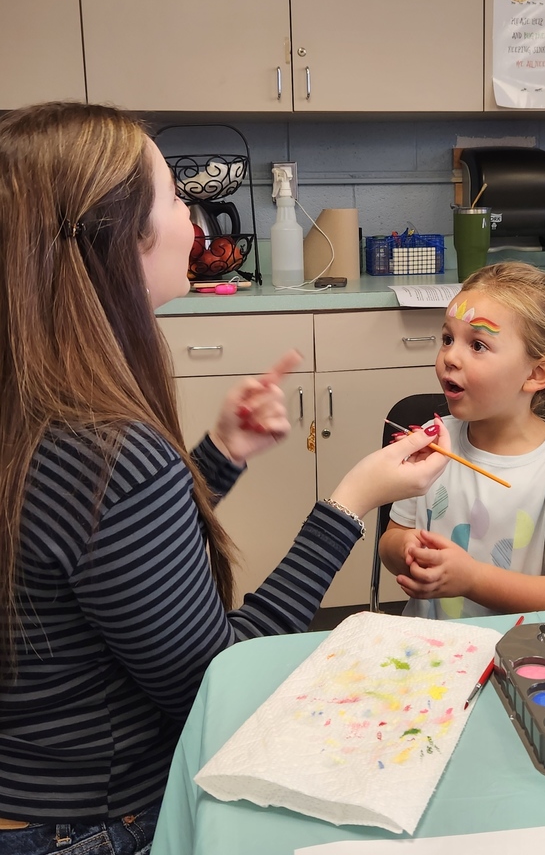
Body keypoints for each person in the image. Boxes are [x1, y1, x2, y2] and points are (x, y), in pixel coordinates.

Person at [0, 101, 450, 854]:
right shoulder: (103, 449)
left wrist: (217, 457)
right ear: (119, 238)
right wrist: (351, 502)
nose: (194, 219)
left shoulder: (37, 414)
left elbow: (108, 561)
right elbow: (215, 678)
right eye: (175, 197)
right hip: (92, 827)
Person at [379, 261, 545, 620]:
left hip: (519, 657)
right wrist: (408, 550)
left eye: (479, 345)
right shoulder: (433, 442)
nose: (450, 357)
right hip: (427, 650)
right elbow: (391, 540)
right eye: (447, 339)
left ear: (536, 373)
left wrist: (472, 579)